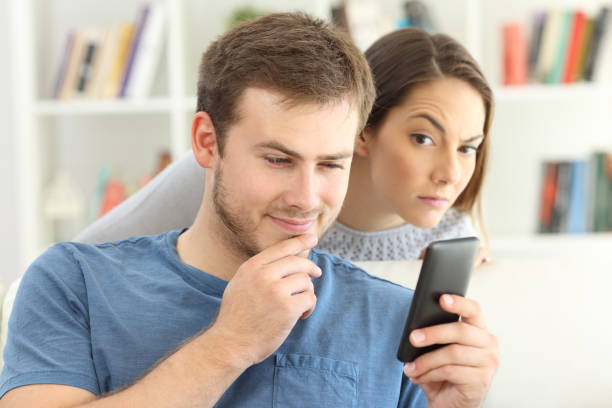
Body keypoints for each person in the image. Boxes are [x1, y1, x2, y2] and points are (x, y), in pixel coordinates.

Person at [1, 13, 498, 408]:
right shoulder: (73, 282)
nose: (306, 198)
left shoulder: (395, 318)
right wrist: (227, 345)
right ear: (206, 142)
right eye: (278, 160)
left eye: (330, 163)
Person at [74, 28, 493, 266]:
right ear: (363, 130)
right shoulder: (227, 169)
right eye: (423, 138)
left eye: (468, 148)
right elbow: (83, 259)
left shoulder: (454, 241)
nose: (450, 174)